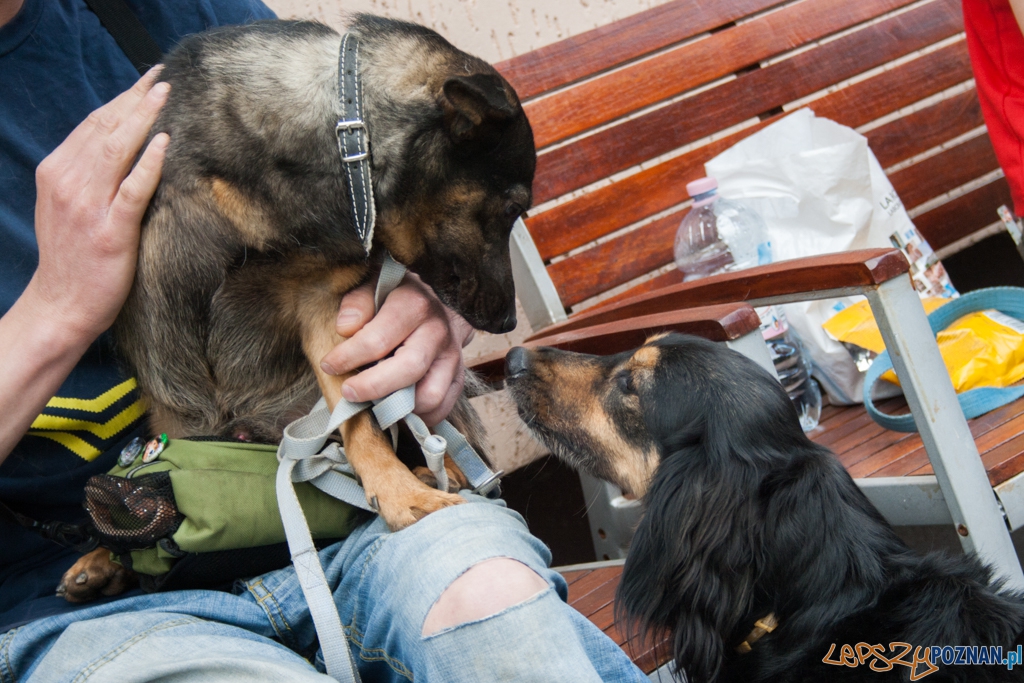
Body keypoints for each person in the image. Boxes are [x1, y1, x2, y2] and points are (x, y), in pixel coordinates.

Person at [0, 1, 649, 680]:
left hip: (341, 512)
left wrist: (421, 302)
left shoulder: (169, 15)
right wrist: (54, 308)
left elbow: (352, 235)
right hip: (85, 609)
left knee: (499, 609)